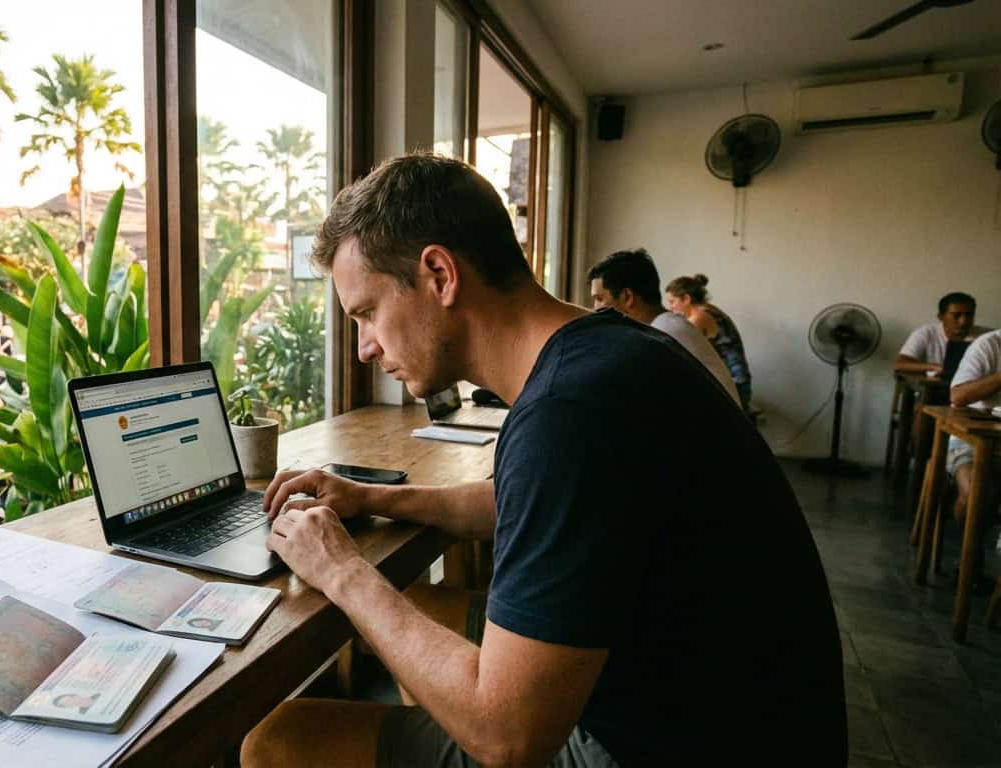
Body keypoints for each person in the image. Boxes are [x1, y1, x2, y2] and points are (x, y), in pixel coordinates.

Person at [241, 154, 844, 767]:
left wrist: (342, 570)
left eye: (367, 314)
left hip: (664, 746)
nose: (365, 348)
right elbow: (526, 502)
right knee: (413, 609)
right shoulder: (608, 353)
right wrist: (373, 496)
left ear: (440, 275)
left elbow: (509, 737)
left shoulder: (568, 412)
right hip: (728, 708)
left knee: (280, 742)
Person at [586, 249, 741, 407]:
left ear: (627, 297)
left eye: (599, 299)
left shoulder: (663, 335)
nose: (595, 308)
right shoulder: (665, 327)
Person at [947, 328, 1001, 588]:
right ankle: (970, 556)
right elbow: (958, 396)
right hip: (972, 438)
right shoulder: (990, 345)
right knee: (974, 494)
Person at [664, 273, 754, 409]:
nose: (670, 307)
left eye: (672, 301)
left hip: (734, 389)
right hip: (737, 385)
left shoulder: (699, 317)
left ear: (686, 299)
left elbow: (682, 350)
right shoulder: (709, 309)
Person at [895, 292, 989, 374]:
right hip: (933, 387)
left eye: (969, 315)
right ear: (940, 317)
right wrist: (935, 367)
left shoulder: (987, 336)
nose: (963, 321)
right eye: (956, 315)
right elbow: (900, 364)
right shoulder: (925, 333)